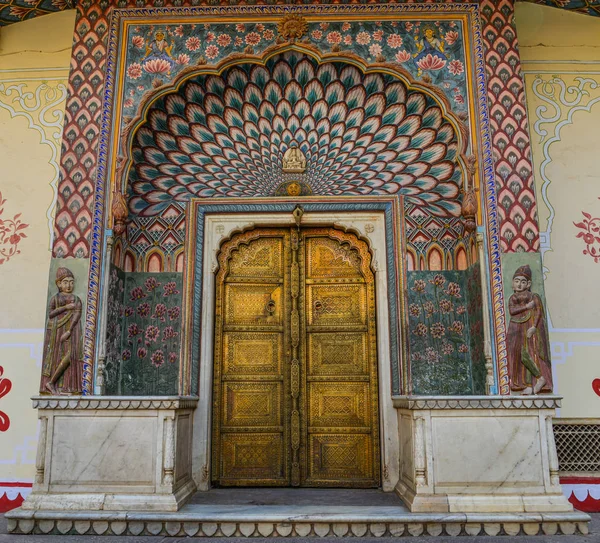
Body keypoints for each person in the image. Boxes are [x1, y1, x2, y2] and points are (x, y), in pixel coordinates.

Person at [507, 265, 552, 395]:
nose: (519, 284)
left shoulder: (533, 296)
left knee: (529, 353)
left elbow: (538, 311)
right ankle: (524, 384)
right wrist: (527, 306)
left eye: (522, 281)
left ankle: (539, 379)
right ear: (512, 283)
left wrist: (534, 327)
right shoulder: (513, 298)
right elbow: (512, 310)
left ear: (528, 284)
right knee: (516, 356)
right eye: (516, 281)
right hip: (515, 328)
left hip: (528, 326)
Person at [40, 268, 83, 395]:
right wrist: (65, 307)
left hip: (71, 331)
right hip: (55, 330)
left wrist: (69, 330)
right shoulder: (55, 298)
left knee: (71, 355)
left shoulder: (76, 299)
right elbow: (51, 314)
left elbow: (77, 313)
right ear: (59, 284)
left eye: (71, 282)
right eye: (65, 282)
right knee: (56, 355)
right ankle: (52, 383)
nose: (69, 285)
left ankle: (63, 385)